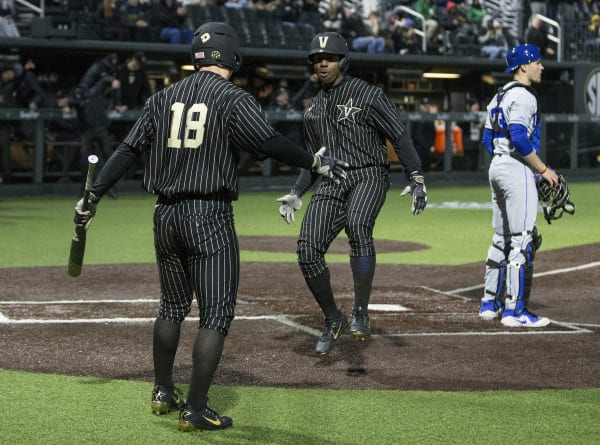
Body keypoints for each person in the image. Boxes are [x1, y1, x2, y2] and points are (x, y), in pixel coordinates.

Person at [72, 22, 347, 432]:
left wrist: (93, 197)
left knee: (171, 307)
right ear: (231, 55)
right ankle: (196, 410)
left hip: (165, 215)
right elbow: (268, 141)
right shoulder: (233, 98)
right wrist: (313, 161)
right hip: (208, 214)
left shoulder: (161, 98)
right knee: (215, 314)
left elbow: (128, 150)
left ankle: (163, 391)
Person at [276, 32, 427, 355]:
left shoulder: (369, 94)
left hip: (370, 173)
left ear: (343, 61)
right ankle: (334, 318)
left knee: (358, 225)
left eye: (328, 58)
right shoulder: (312, 109)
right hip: (332, 180)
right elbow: (312, 159)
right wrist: (296, 191)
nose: (322, 64)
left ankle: (360, 311)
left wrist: (415, 174)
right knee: (307, 248)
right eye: (317, 59)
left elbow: (399, 137)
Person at [479, 43, 559, 328]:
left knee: (501, 238)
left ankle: (490, 303)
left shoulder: (498, 95)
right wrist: (542, 169)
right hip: (517, 167)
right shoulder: (525, 97)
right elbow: (520, 138)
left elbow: (488, 139)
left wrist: (502, 161)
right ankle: (515, 311)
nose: (541, 66)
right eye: (537, 61)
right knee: (522, 240)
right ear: (523, 66)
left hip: (496, 167)